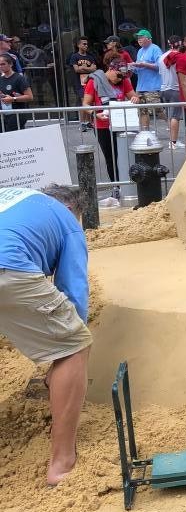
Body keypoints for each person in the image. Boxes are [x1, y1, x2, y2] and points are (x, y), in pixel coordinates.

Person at [0, 184, 91, 485]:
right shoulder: (66, 222)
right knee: (73, 346)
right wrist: (64, 352)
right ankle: (62, 464)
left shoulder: (14, 197)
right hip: (7, 264)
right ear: (71, 210)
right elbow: (73, 290)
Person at [82, 61, 139, 195]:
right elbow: (85, 104)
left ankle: (130, 183)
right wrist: (95, 113)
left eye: (123, 76)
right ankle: (117, 186)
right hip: (103, 125)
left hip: (122, 122)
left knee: (126, 155)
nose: (120, 78)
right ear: (111, 69)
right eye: (118, 75)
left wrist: (136, 99)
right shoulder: (94, 81)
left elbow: (134, 96)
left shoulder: (124, 81)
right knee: (111, 157)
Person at [130, 29, 163, 129]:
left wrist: (143, 64)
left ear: (149, 38)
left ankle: (172, 125)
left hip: (153, 86)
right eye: (138, 38)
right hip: (140, 87)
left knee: (158, 111)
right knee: (142, 111)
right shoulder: (140, 51)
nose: (139, 40)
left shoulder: (155, 49)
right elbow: (138, 69)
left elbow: (160, 66)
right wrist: (131, 68)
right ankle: (145, 133)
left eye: (141, 37)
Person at [159, 36, 185, 150]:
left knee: (170, 116)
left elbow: (160, 73)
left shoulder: (161, 57)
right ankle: (173, 142)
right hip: (175, 89)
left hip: (164, 89)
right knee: (175, 116)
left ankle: (172, 140)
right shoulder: (180, 57)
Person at [66, 37, 98, 130]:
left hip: (89, 82)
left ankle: (88, 122)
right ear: (78, 45)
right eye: (84, 44)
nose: (86, 46)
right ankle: (82, 122)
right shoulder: (74, 56)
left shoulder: (90, 56)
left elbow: (94, 68)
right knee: (83, 101)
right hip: (79, 83)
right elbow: (76, 69)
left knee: (88, 102)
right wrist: (88, 68)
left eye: (87, 44)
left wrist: (84, 68)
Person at [0, 54, 33, 131]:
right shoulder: (1, 79)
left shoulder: (19, 78)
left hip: (17, 115)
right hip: (3, 115)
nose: (1, 66)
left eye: (3, 64)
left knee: (14, 139)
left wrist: (13, 98)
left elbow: (30, 97)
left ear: (10, 64)